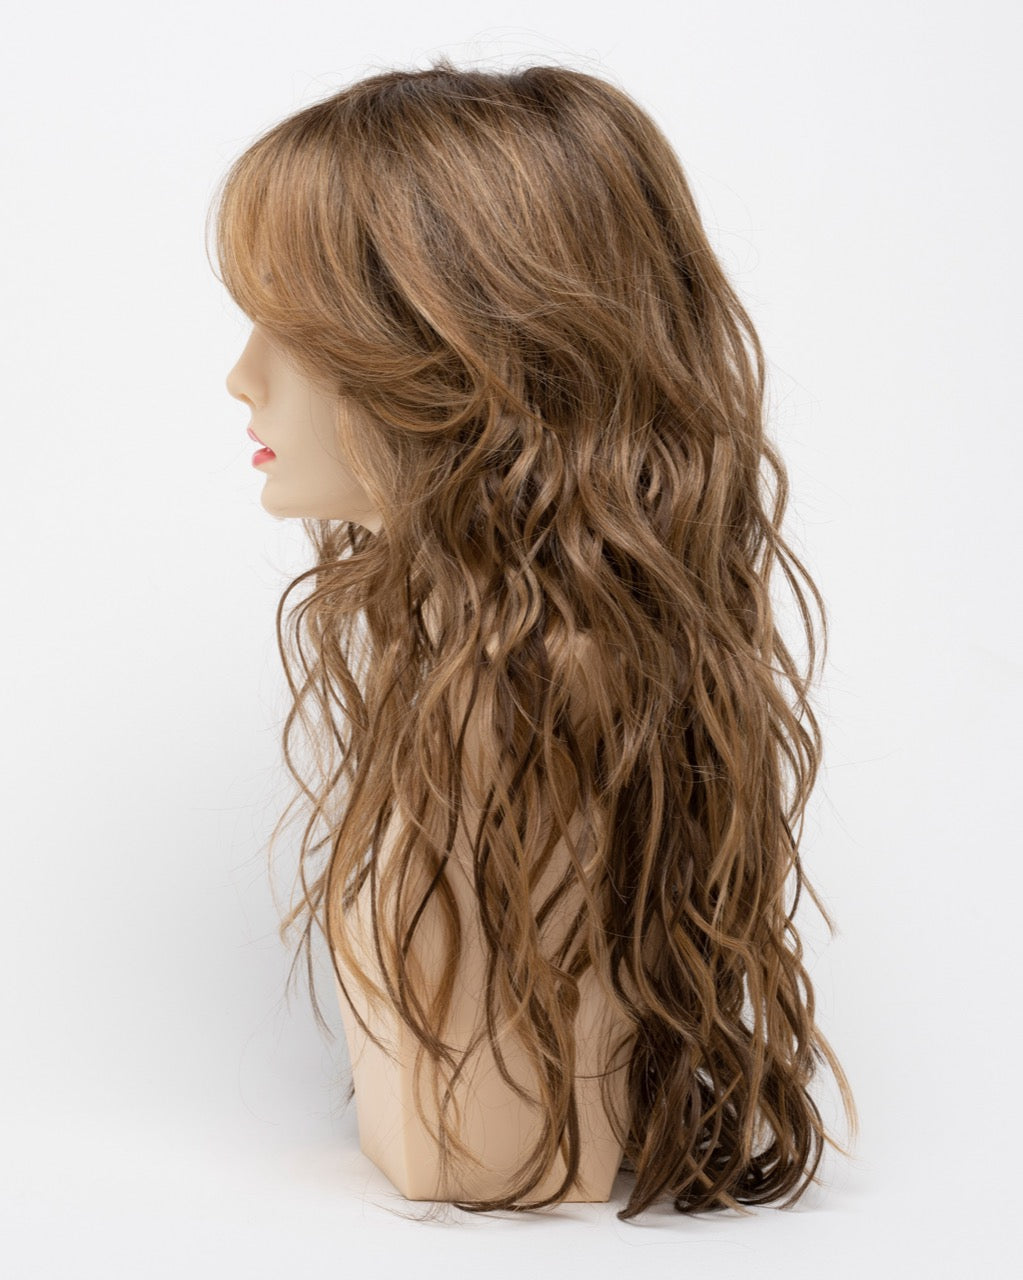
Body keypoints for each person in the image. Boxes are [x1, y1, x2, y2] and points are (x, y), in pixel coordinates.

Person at [212, 58, 858, 1222]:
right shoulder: (452, 663)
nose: (242, 376)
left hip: (488, 1167)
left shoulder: (516, 704)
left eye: (300, 329)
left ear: (468, 354)